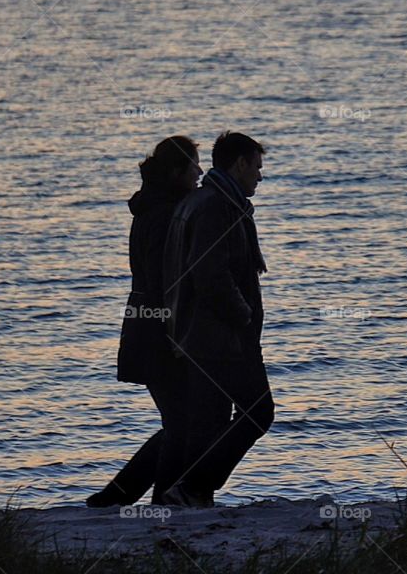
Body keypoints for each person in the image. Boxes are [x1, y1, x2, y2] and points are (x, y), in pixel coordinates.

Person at [86, 135, 203, 508]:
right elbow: (163, 280)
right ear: (175, 172)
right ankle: (160, 500)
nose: (200, 171)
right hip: (158, 330)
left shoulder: (156, 208)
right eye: (193, 165)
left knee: (180, 421)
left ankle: (116, 497)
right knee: (183, 423)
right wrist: (177, 332)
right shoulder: (166, 214)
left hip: (148, 324)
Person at [160, 131, 273, 507]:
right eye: (256, 166)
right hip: (220, 336)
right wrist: (242, 316)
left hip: (203, 334)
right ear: (239, 163)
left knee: (208, 420)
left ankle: (191, 495)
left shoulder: (209, 201)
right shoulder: (215, 205)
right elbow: (210, 274)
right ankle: (191, 488)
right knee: (258, 410)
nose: (260, 175)